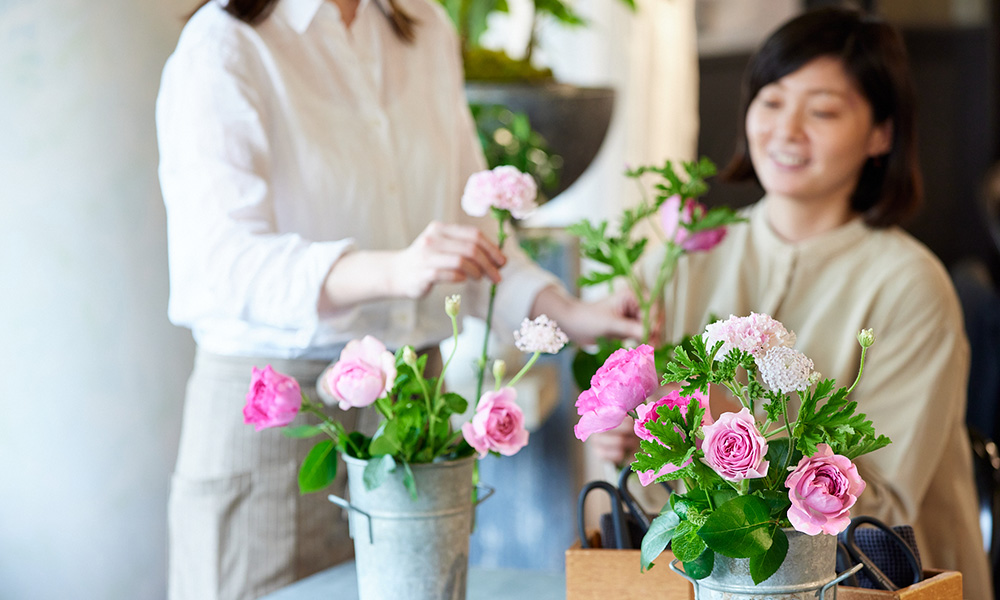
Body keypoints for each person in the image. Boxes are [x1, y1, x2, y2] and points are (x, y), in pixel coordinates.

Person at [155, 0, 643, 598]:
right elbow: (219, 262)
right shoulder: (226, 43)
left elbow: (475, 224)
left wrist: (566, 312)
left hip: (417, 404)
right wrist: (393, 270)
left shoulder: (423, 27)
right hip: (282, 413)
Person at [592, 7, 992, 597]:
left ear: (882, 133)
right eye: (772, 102)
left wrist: (718, 420)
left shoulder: (911, 285)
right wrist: (636, 443)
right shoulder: (685, 258)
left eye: (824, 110)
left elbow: (880, 518)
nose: (786, 130)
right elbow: (653, 497)